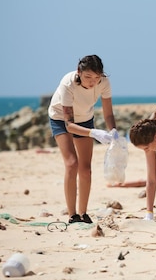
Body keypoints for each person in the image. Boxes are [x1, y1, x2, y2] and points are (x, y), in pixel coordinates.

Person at [48, 55, 119, 224]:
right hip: (61, 118)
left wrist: (113, 131)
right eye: (88, 77)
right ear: (79, 72)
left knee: (85, 169)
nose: (92, 81)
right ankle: (72, 215)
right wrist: (94, 133)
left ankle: (83, 213)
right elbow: (69, 125)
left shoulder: (104, 82)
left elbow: (108, 114)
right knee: (72, 164)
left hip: (85, 117)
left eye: (97, 77)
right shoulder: (68, 84)